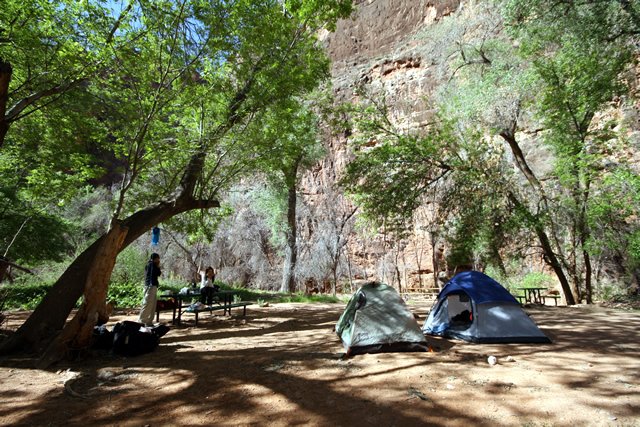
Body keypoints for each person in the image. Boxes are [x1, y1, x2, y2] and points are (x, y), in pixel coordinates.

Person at [138, 253, 161, 326]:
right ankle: (142, 321)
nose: (158, 259)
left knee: (153, 304)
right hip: (150, 286)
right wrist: (150, 286)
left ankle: (149, 322)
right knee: (148, 304)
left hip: (153, 286)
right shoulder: (151, 265)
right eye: (157, 258)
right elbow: (156, 273)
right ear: (154, 258)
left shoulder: (153, 265)